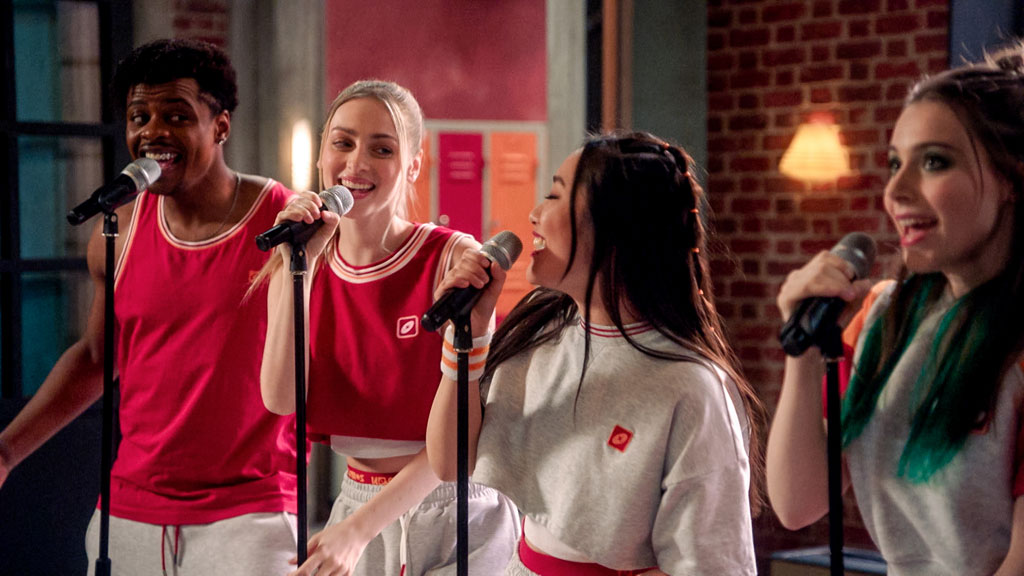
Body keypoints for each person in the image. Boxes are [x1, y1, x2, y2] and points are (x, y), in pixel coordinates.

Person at [0, 39, 298, 575]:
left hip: (251, 513)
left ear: (221, 126)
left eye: (177, 115)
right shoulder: (117, 231)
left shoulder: (284, 223)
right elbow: (98, 357)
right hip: (130, 512)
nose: (153, 131)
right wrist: (7, 452)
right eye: (140, 117)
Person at [426, 132, 764, 575]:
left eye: (555, 196)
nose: (534, 214)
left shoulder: (691, 386)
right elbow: (449, 462)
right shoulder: (540, 328)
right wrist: (468, 334)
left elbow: (712, 563)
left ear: (616, 226)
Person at [767, 44, 1024, 576]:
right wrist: (802, 353)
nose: (895, 191)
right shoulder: (882, 318)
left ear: (1011, 179)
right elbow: (798, 503)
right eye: (894, 163)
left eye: (934, 162)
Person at [258, 79, 519, 576]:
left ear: (413, 165)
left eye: (382, 149)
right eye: (343, 143)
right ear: (321, 154)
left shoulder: (451, 257)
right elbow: (281, 398)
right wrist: (297, 266)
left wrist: (360, 529)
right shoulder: (301, 258)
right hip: (357, 497)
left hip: (455, 505)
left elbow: (466, 437)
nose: (356, 163)